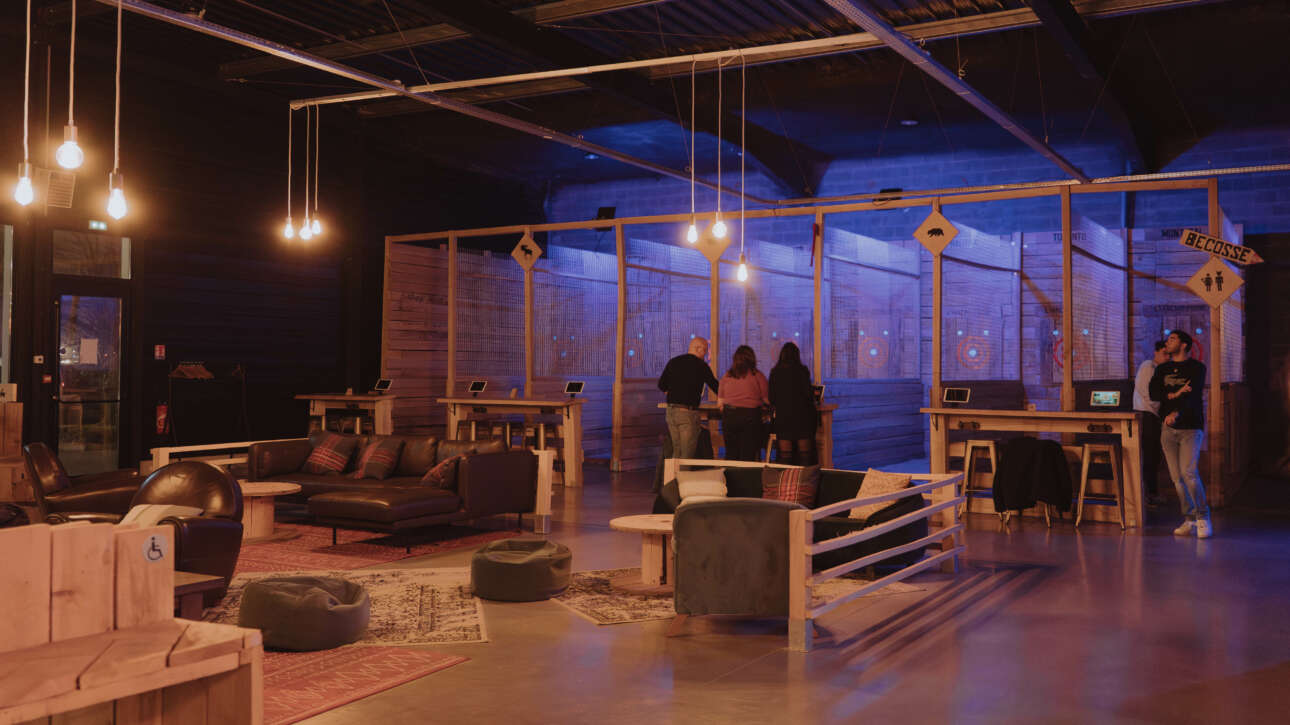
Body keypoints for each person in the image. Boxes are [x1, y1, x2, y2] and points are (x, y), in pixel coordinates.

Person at [1149, 330, 1212, 538]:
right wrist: (1176, 393)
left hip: (1190, 428)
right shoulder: (1162, 368)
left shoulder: (1197, 368)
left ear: (1184, 344)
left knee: (1189, 473)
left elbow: (1192, 396)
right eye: (1168, 339)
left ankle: (1203, 517)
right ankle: (1189, 519)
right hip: (1167, 430)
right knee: (1177, 478)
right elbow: (1153, 393)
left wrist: (1176, 412)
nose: (1168, 341)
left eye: (1172, 339)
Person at [657, 336, 719, 460]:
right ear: (700, 349)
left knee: (676, 452)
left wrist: (674, 394)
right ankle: (683, 473)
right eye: (705, 350)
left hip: (671, 412)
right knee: (686, 456)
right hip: (687, 413)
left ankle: (673, 473)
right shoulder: (701, 366)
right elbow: (716, 387)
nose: (706, 354)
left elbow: (661, 385)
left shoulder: (673, 361)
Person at [768, 342, 817, 465]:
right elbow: (808, 395)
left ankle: (786, 477)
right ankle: (804, 477)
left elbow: (771, 398)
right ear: (797, 355)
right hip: (802, 417)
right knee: (805, 455)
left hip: (783, 418)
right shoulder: (802, 371)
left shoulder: (775, 372)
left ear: (782, 355)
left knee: (785, 456)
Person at [1133, 340, 1169, 507]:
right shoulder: (1149, 366)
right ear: (1156, 352)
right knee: (1149, 456)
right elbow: (1147, 392)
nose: (1167, 357)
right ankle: (1149, 495)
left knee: (1153, 456)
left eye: (1169, 355)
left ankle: (1151, 493)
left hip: (1151, 415)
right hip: (1147, 414)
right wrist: (1162, 405)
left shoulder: (1158, 369)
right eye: (1164, 353)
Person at [718, 345, 769, 461]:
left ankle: (731, 473)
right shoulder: (758, 375)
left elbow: (720, 403)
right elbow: (766, 399)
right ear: (752, 359)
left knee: (731, 453)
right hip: (751, 416)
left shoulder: (727, 376)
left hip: (730, 415)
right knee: (748, 454)